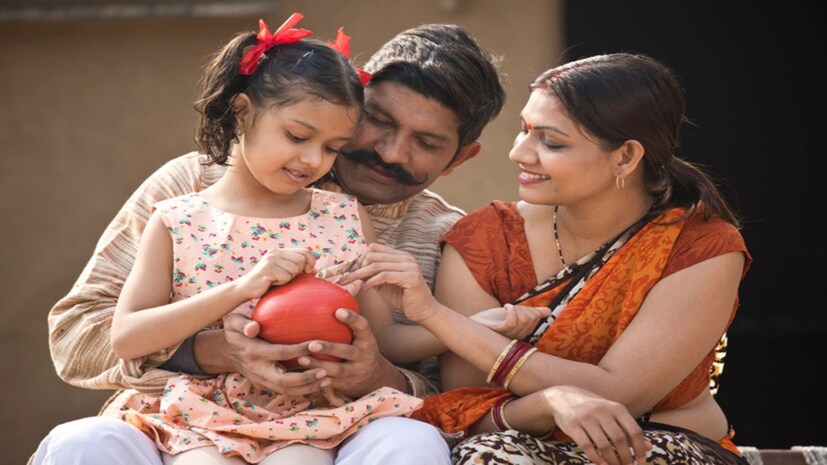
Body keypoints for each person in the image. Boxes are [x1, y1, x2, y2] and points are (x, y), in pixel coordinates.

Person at [33, 18, 507, 465]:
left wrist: (376, 373)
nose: (390, 151)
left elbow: (456, 397)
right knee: (81, 444)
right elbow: (78, 338)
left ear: (460, 158)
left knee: (412, 442)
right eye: (378, 120)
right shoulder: (189, 191)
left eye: (426, 143)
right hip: (186, 421)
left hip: (332, 426)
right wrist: (212, 352)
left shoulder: (447, 238)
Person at [342, 52, 752, 465]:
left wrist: (437, 318)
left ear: (626, 157)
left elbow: (617, 395)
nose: (519, 153)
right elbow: (464, 408)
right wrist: (548, 403)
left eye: (551, 142)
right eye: (524, 130)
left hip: (659, 447)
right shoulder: (485, 239)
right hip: (511, 448)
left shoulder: (698, 247)